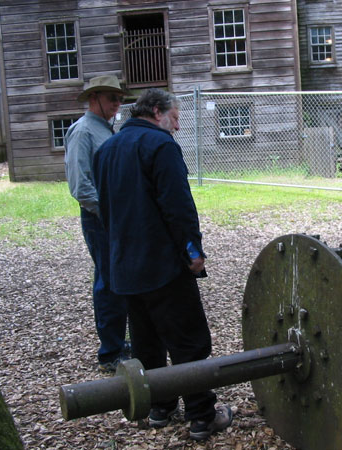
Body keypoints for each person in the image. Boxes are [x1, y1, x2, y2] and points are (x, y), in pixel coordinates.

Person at [92, 88, 233, 438]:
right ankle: (202, 417)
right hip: (162, 265)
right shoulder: (160, 146)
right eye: (175, 118)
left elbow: (104, 210)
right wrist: (192, 252)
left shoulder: (107, 149)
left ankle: (160, 407)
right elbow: (178, 207)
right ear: (157, 111)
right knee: (189, 341)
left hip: (124, 266)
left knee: (146, 342)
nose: (177, 127)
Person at [64, 75, 129, 373]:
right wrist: (108, 214)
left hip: (114, 217)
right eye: (111, 98)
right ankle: (111, 352)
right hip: (100, 220)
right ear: (94, 98)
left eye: (118, 98)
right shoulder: (83, 131)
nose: (117, 104)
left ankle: (118, 343)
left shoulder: (105, 129)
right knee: (108, 283)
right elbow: (81, 187)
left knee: (119, 280)